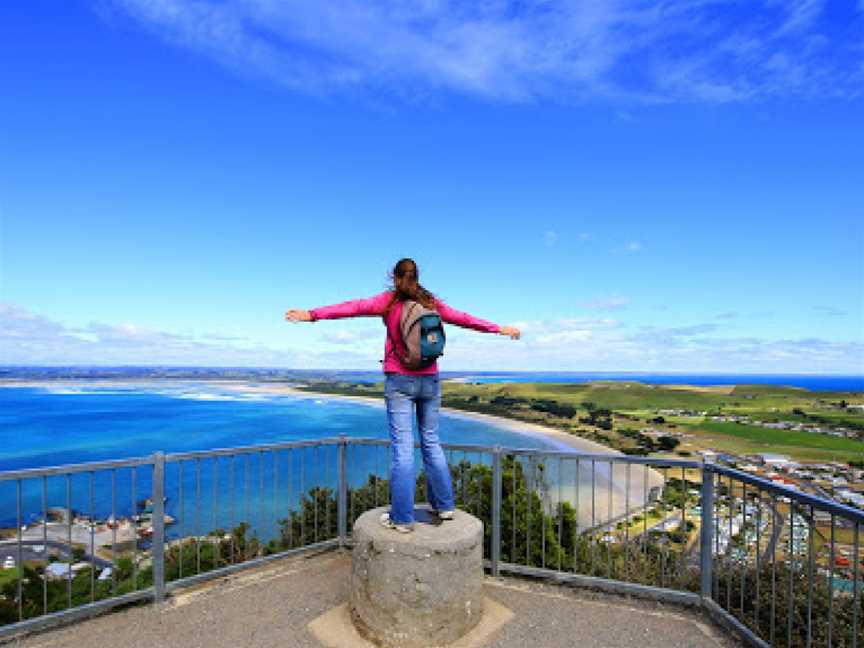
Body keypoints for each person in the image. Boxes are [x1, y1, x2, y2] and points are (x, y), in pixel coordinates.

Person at [285, 258, 521, 533]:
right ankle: (444, 506)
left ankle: (402, 518)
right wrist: (499, 328)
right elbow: (465, 318)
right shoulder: (431, 303)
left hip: (399, 381)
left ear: (394, 277)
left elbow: (351, 307)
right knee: (431, 441)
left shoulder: (388, 302)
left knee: (403, 451)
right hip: (430, 380)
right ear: (417, 276)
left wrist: (312, 314)